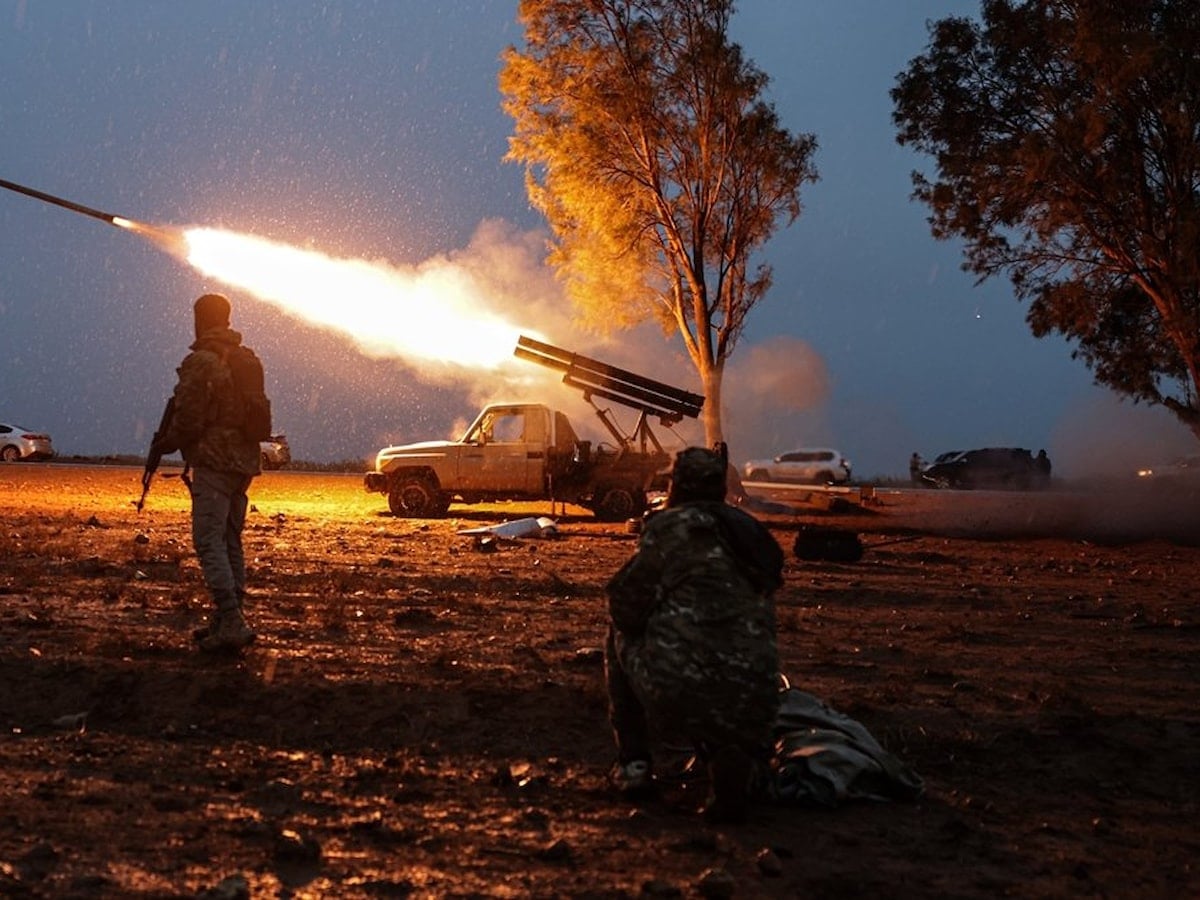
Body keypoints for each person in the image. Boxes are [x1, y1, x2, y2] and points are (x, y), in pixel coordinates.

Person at [604, 444, 784, 822]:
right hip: (758, 689)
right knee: (728, 655)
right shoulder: (752, 535)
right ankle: (729, 761)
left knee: (617, 633)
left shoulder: (671, 528)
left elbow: (625, 605)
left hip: (682, 682)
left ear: (676, 487)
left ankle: (634, 765)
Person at [155, 293, 264, 652]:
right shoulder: (244, 359)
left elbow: (188, 418)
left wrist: (166, 444)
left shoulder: (202, 362)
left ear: (200, 319)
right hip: (243, 463)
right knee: (231, 541)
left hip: (215, 463)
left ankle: (231, 620)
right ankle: (229, 617)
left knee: (208, 540)